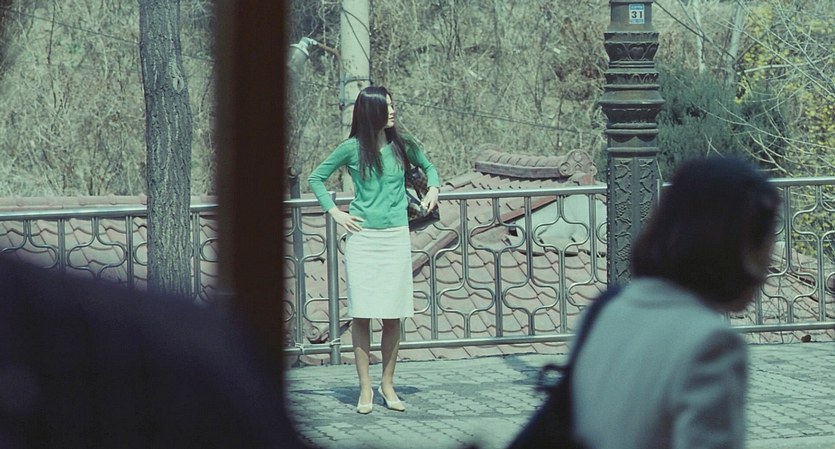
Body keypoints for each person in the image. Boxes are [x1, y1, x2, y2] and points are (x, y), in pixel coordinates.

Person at [571, 157, 781, 449]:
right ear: (740, 247)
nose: (769, 263)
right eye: (768, 243)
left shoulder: (604, 310)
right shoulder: (712, 344)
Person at [308, 86, 440, 414]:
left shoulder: (402, 145)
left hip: (395, 237)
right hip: (363, 240)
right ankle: (365, 387)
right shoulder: (352, 149)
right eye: (387, 106)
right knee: (363, 315)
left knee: (393, 315)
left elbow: (430, 168)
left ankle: (388, 384)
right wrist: (335, 213)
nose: (393, 111)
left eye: (393, 105)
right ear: (371, 112)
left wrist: (434, 189)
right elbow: (316, 178)